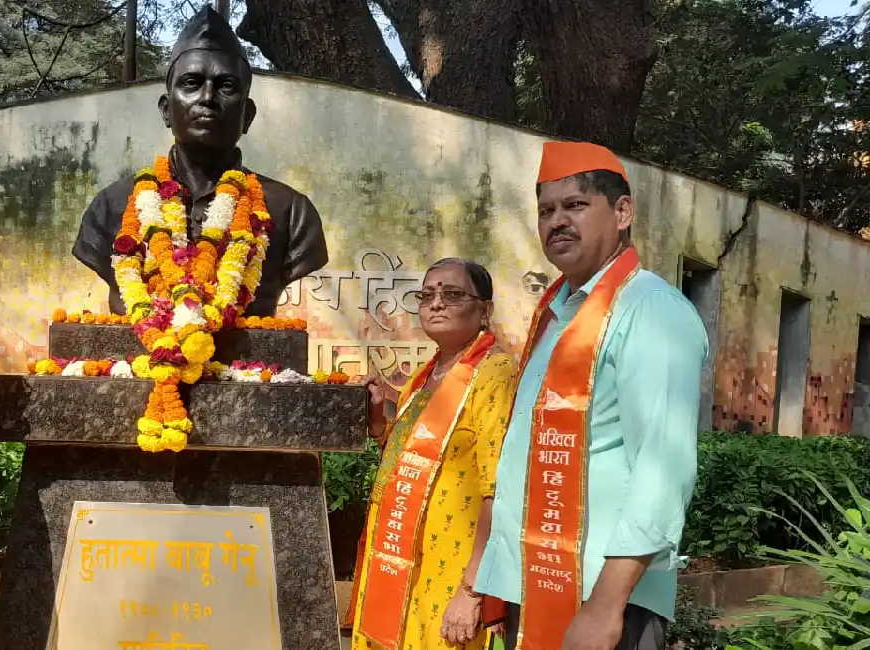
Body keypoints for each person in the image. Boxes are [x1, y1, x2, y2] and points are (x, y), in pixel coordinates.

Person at [473, 141, 709, 650]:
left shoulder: (650, 310)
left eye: (575, 205)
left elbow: (662, 469)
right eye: (546, 211)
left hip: (602, 601)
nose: (557, 221)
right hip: (533, 588)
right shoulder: (556, 317)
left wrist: (605, 606)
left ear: (622, 212)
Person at [71, 6, 328, 317]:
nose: (208, 97)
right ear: (166, 110)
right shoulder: (110, 207)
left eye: (226, 86)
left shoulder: (291, 214)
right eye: (192, 83)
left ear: (247, 115)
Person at [347, 258, 518, 650]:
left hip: (451, 568)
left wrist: (473, 591)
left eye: (453, 294)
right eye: (427, 295)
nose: (436, 303)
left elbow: (499, 486)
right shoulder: (426, 377)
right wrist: (377, 420)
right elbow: (407, 459)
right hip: (401, 559)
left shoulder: (495, 373)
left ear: (485, 311)